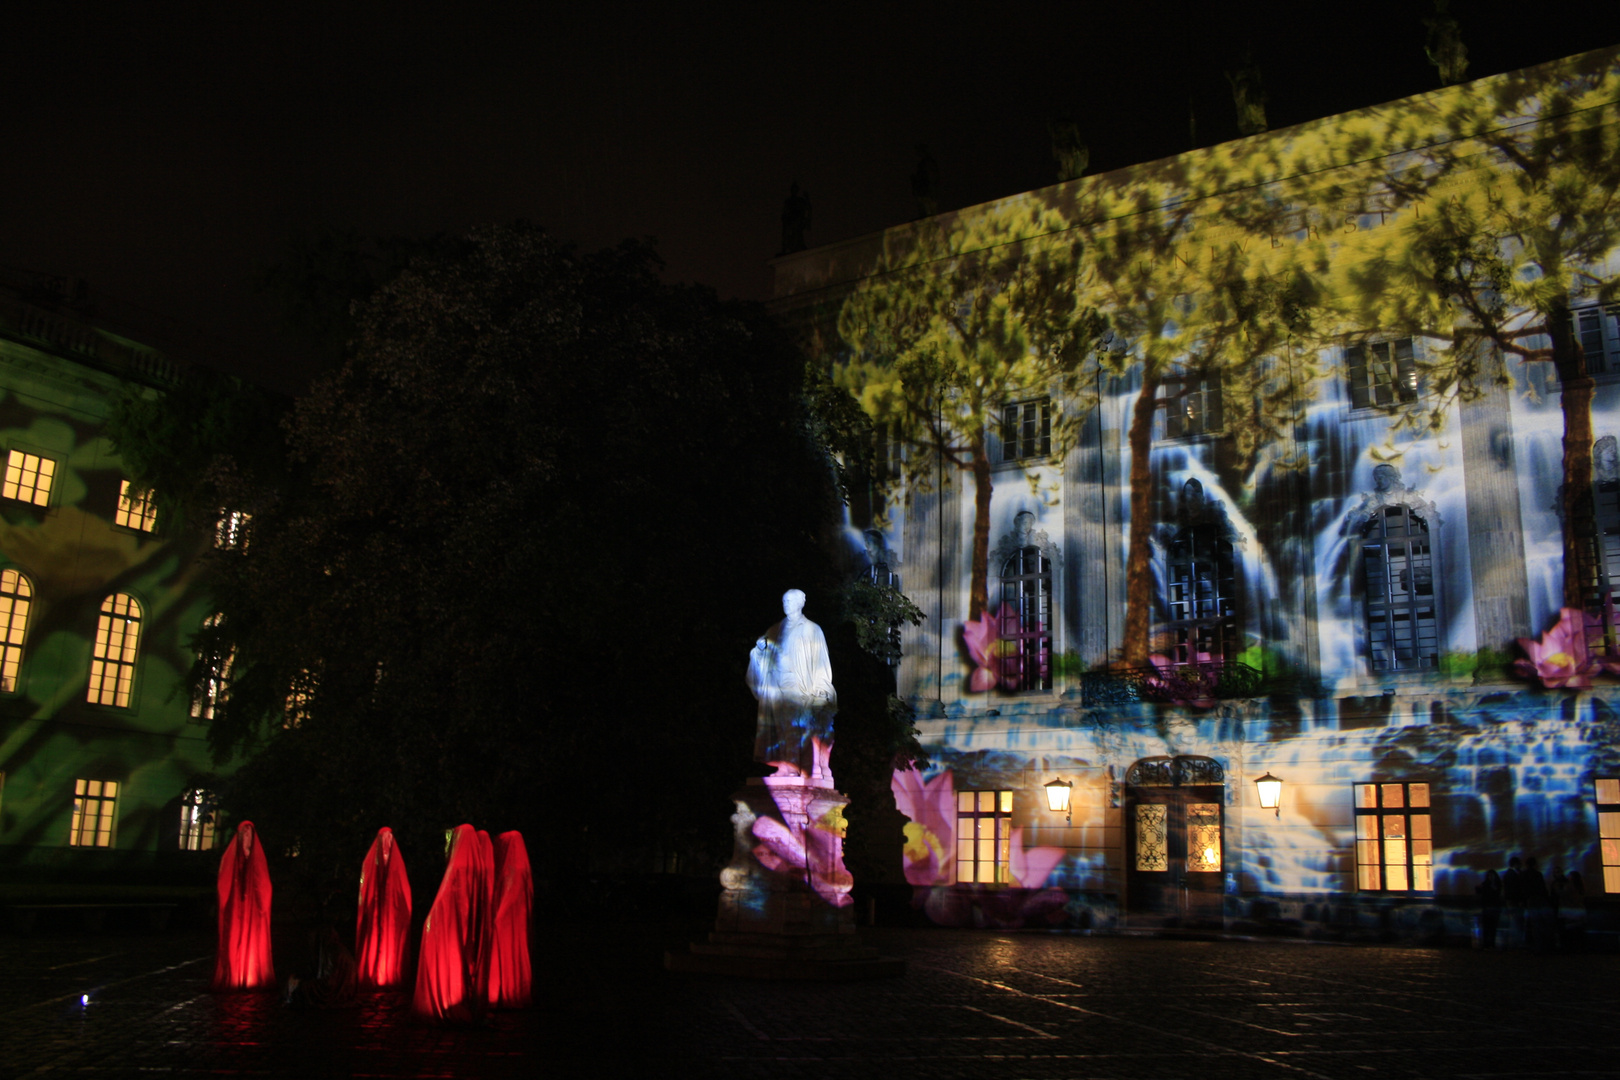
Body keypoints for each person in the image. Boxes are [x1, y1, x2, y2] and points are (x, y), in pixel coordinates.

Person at [747, 589, 837, 779]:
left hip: (798, 685)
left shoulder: (811, 629)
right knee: (780, 727)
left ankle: (794, 765)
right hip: (776, 685)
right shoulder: (775, 629)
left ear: (801, 603)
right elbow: (761, 653)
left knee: (795, 727)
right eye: (784, 601)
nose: (786, 604)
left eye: (790, 601)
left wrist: (820, 687)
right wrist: (759, 650)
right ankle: (786, 765)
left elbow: (820, 660)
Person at [412, 825, 492, 1023]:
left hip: (451, 929)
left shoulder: (458, 866)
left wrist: (431, 922)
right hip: (470, 930)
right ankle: (464, 996)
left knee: (454, 956)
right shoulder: (478, 866)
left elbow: (446, 899)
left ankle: (449, 997)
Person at [211, 821, 274, 991]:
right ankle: (236, 972)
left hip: (253, 914)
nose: (246, 839)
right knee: (234, 940)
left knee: (251, 940)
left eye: (249, 835)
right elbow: (224, 883)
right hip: (236, 912)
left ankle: (249, 972)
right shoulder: (231, 858)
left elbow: (264, 885)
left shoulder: (257, 860)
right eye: (243, 835)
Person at [356, 826, 412, 988]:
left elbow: (403, 896)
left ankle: (388, 972)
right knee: (374, 940)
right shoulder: (369, 864)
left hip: (391, 918)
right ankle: (374, 971)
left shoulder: (397, 868)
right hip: (375, 914)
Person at [487, 831, 533, 1009]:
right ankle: (516, 989)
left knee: (506, 955)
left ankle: (505, 992)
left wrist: (497, 918)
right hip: (517, 923)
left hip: (506, 923)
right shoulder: (522, 866)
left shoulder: (512, 867)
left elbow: (509, 895)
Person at [285, 924, 358, 1008]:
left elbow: (329, 983)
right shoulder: (338, 949)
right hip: (346, 990)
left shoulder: (332, 952)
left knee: (298, 988)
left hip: (335, 991)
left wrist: (302, 985)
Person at [1476, 868, 1503, 948]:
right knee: (1489, 927)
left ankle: (1489, 943)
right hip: (1491, 907)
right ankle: (1488, 943)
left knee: (1490, 927)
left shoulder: (1488, 884)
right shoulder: (1491, 884)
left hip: (1490, 907)